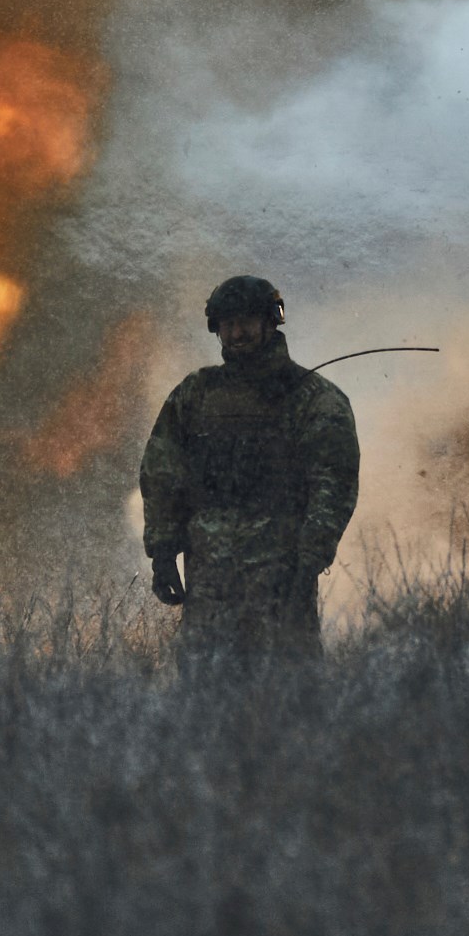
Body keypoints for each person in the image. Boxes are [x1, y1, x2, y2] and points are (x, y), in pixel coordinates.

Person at [138, 275, 361, 663]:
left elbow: (333, 482)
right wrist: (162, 553)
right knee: (205, 690)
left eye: (245, 322)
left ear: (270, 323)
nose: (236, 333)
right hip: (207, 575)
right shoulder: (196, 393)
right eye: (227, 325)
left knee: (286, 689)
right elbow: (162, 472)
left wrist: (310, 559)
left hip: (281, 574)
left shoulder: (313, 398)